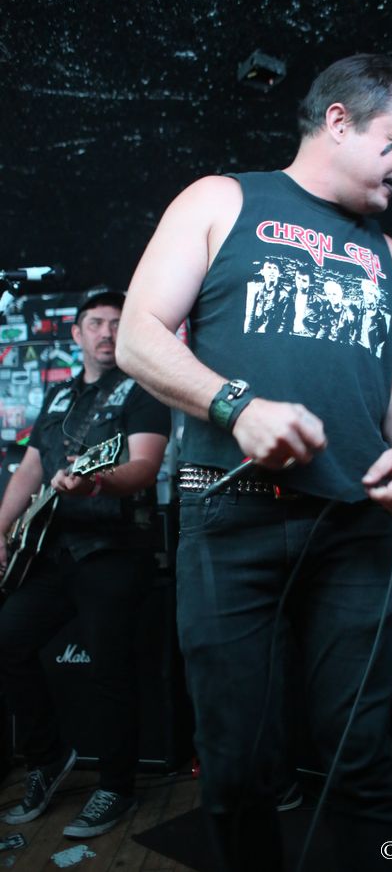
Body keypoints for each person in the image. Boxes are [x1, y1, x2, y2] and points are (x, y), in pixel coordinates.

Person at [116, 54, 392, 871]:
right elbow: (137, 337)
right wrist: (236, 406)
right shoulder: (221, 200)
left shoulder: (389, 256)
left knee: (363, 754)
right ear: (339, 121)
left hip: (356, 525)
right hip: (234, 515)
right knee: (238, 761)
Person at [0, 286, 170, 838]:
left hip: (114, 552)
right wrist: (0, 529)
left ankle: (116, 787)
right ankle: (47, 759)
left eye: (117, 323)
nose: (106, 332)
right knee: (8, 641)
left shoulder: (144, 391)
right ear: (76, 333)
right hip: (52, 552)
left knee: (109, 669)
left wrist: (96, 482)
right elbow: (31, 469)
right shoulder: (58, 397)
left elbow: (144, 465)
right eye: (95, 323)